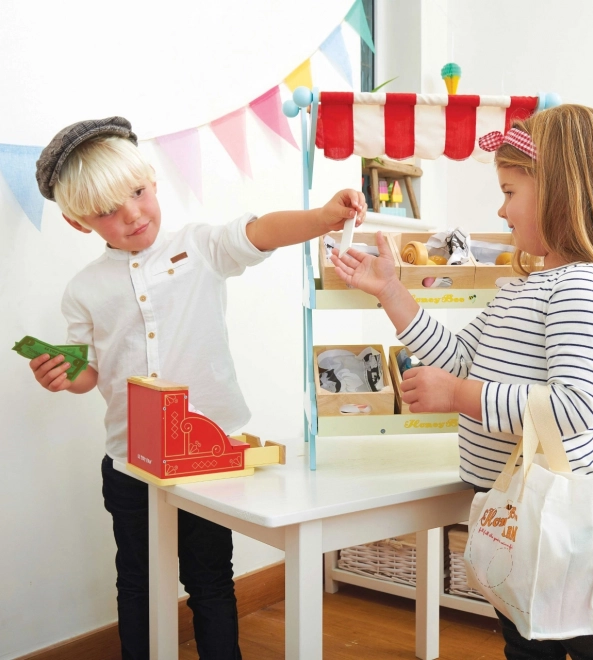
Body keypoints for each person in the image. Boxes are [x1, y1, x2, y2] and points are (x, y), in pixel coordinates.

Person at [30, 116, 366, 660]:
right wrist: (65, 377)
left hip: (206, 454)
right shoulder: (83, 290)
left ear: (153, 182)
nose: (131, 214)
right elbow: (89, 372)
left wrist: (321, 218)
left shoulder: (199, 246)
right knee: (138, 582)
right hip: (129, 461)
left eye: (137, 193)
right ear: (77, 222)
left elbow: (257, 231)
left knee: (210, 578)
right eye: (107, 211)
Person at [331, 104, 593, 659]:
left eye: (509, 192)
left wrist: (458, 397)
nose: (501, 210)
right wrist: (392, 294)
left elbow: (573, 407)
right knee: (525, 646)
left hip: (562, 512)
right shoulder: (522, 287)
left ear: (562, 193)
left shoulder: (582, 288)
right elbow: (458, 357)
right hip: (509, 504)